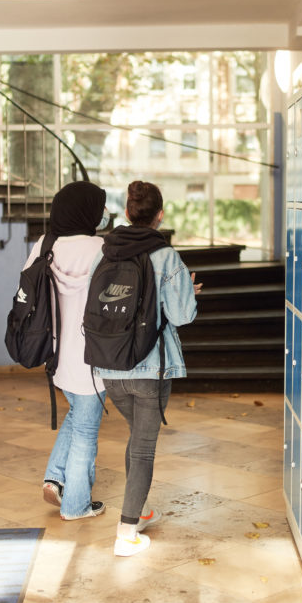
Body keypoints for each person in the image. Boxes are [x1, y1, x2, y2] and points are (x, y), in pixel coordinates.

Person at [93, 180, 202, 557]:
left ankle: (136, 513)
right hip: (150, 368)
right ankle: (126, 534)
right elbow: (182, 315)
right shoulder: (165, 255)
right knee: (142, 449)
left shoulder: (105, 252)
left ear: (127, 213)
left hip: (109, 366)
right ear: (159, 215)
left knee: (136, 440)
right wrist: (187, 291)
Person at [22, 180, 110, 521]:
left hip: (56, 353)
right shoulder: (102, 248)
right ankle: (76, 505)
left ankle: (55, 478)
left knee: (77, 414)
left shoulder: (47, 244)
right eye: (100, 207)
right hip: (93, 356)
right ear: (87, 210)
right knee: (87, 430)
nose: (103, 213)